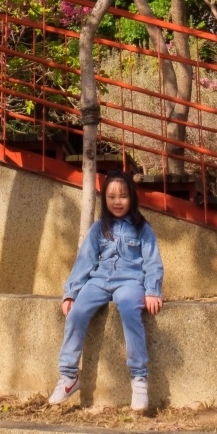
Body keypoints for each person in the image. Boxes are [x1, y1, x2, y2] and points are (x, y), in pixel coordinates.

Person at [49, 171, 164, 413]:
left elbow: (152, 261)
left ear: (132, 197)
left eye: (123, 196)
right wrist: (71, 292)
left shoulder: (143, 228)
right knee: (77, 312)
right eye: (111, 196)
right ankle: (69, 377)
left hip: (130, 281)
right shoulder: (99, 227)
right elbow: (85, 261)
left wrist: (152, 290)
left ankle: (139, 379)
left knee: (129, 308)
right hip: (99, 280)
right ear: (105, 200)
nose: (117, 201)